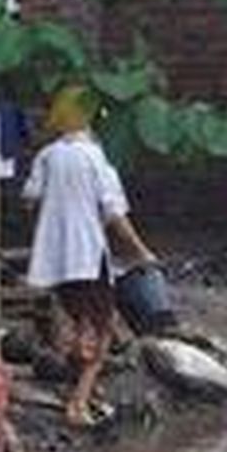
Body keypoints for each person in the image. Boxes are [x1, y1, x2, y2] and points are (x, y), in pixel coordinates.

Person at [23, 86, 157, 428]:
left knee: (77, 322)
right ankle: (77, 403)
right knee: (101, 331)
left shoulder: (47, 156)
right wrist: (142, 253)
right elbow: (115, 216)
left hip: (55, 259)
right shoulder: (96, 160)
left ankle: (89, 390)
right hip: (88, 255)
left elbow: (31, 200)